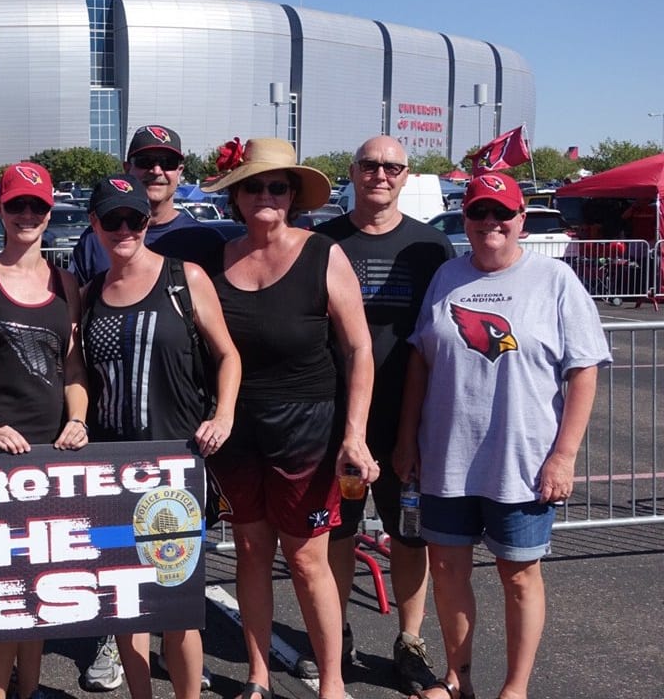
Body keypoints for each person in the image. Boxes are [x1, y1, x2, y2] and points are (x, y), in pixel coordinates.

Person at [394, 173, 610, 699]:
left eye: (503, 214)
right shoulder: (447, 275)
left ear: (521, 220)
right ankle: (456, 677)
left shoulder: (555, 280)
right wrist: (407, 439)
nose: (491, 223)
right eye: (479, 213)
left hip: (523, 460)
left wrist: (564, 456)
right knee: (446, 569)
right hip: (446, 455)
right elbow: (422, 358)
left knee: (519, 576)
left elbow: (584, 369)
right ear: (465, 219)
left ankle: (515, 689)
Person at [203, 137, 377, 699]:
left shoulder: (323, 253)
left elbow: (358, 350)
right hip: (236, 430)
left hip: (307, 428)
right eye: (253, 185)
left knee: (305, 558)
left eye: (277, 186)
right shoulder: (215, 258)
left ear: (294, 195)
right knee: (251, 551)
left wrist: (355, 435)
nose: (265, 195)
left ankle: (332, 684)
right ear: (236, 194)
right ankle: (257, 675)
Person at [73, 125, 225, 693]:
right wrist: (76, 419)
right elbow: (80, 375)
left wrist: (224, 414)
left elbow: (227, 356)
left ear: (147, 222)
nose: (123, 230)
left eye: (133, 220)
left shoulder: (184, 277)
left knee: (177, 606)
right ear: (94, 225)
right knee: (125, 602)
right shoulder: (89, 296)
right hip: (113, 464)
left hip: (176, 461)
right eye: (111, 221)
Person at [306, 136, 455, 694]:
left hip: (407, 423)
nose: (380, 175)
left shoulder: (429, 246)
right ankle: (335, 633)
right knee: (337, 534)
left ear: (405, 175)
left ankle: (409, 639)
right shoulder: (322, 241)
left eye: (392, 167)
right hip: (336, 424)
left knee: (408, 536)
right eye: (370, 165)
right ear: (353, 170)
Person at [0, 162, 89, 699]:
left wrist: (78, 419)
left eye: (37, 207)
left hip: (51, 455)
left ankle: (27, 691)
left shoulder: (65, 283)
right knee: (3, 592)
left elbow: (72, 371)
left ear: (51, 213)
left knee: (42, 589)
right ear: (0, 212)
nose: (27, 215)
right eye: (16, 206)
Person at [69, 124, 225, 286]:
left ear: (179, 171)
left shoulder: (206, 241)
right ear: (127, 168)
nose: (156, 171)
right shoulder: (97, 238)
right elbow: (76, 305)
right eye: (146, 162)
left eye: (167, 162)